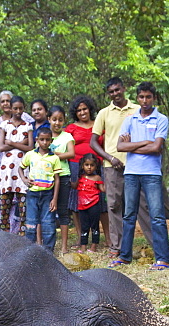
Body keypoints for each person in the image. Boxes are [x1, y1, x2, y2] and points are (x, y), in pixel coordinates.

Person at [110, 82, 169, 270]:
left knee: (157, 216)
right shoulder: (130, 119)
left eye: (148, 97)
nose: (145, 101)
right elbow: (120, 147)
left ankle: (163, 258)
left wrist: (134, 144)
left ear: (154, 98)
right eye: (141, 97)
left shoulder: (161, 119)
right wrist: (145, 141)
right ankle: (125, 256)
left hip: (151, 173)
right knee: (129, 215)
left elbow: (156, 148)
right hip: (131, 173)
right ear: (137, 98)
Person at [91, 77, 153, 255]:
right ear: (108, 94)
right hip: (112, 167)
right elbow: (93, 142)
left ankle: (157, 245)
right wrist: (110, 158)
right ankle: (116, 247)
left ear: (124, 89)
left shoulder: (137, 109)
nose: (115, 94)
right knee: (114, 206)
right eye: (111, 92)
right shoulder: (104, 113)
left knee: (143, 206)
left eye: (117, 90)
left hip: (137, 164)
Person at [0, 90, 33, 232]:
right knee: (5, 202)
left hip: (22, 167)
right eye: (15, 108)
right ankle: (3, 233)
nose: (18, 111)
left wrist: (12, 143)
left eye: (20, 108)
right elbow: (0, 147)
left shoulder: (27, 124)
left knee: (22, 203)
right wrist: (20, 142)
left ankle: (21, 234)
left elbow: (30, 147)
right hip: (6, 168)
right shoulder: (3, 124)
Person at [64, 95, 100, 242]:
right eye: (79, 110)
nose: (82, 112)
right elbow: (63, 145)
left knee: (99, 203)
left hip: (96, 166)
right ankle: (81, 236)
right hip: (75, 166)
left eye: (85, 109)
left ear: (90, 109)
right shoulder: (71, 128)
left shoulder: (98, 124)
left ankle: (100, 236)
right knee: (76, 202)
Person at [20, 127, 62, 251]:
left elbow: (57, 179)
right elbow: (20, 168)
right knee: (31, 223)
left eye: (47, 140)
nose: (44, 142)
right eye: (42, 139)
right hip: (32, 194)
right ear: (37, 140)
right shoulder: (30, 155)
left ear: (51, 141)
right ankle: (29, 251)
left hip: (48, 194)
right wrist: (24, 179)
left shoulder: (54, 158)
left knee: (48, 223)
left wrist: (54, 199)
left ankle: (48, 252)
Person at [48, 105, 75, 252]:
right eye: (54, 119)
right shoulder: (44, 135)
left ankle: (64, 246)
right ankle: (45, 243)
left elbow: (71, 153)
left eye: (60, 120)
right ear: (49, 120)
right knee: (46, 210)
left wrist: (54, 155)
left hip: (63, 176)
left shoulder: (67, 137)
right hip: (46, 178)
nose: (57, 123)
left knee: (63, 211)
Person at [74, 153, 105, 252]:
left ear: (96, 166)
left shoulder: (97, 178)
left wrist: (110, 183)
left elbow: (103, 189)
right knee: (84, 225)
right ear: (82, 165)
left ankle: (94, 246)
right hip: (82, 205)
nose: (89, 167)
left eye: (92, 165)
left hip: (94, 205)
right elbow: (74, 186)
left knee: (94, 225)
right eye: (87, 165)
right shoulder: (80, 177)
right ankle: (83, 245)